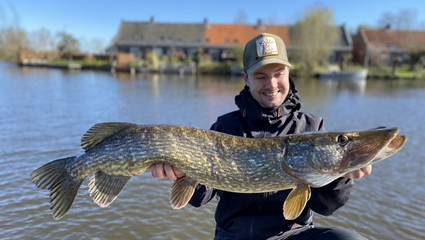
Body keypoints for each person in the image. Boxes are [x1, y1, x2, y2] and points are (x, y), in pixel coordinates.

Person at [150, 33, 371, 240]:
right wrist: (182, 173)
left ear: (288, 73)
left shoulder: (310, 127)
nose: (272, 84)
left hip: (292, 234)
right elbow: (203, 196)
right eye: (261, 76)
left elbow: (327, 206)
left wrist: (341, 173)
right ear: (246, 78)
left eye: (278, 74)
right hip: (234, 234)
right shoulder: (226, 126)